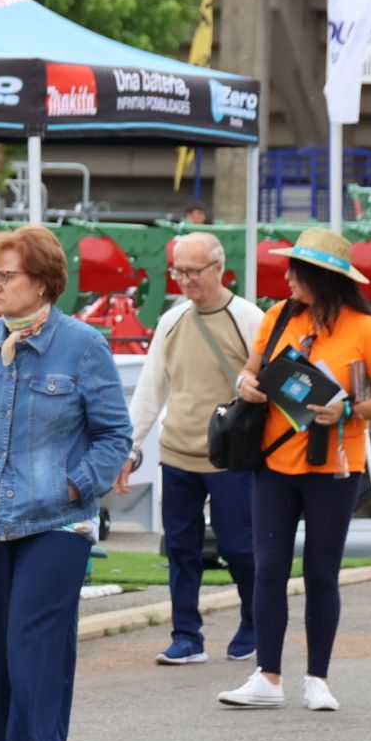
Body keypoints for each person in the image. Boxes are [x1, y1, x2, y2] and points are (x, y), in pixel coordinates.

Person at [0, 225, 130, 741]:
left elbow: (113, 437)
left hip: (56, 522)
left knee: (35, 643)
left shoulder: (83, 346)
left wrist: (73, 485)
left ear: (44, 282)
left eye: (6, 276)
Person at [216, 228, 371, 713]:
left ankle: (317, 678)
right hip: (274, 462)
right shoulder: (278, 317)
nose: (287, 277)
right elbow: (250, 370)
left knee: (322, 572)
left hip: (336, 466)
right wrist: (246, 386)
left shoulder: (367, 331)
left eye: (295, 270)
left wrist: (349, 411)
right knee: (269, 569)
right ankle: (268, 675)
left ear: (320, 277)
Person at [115, 232, 264, 665]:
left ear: (219, 269)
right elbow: (150, 389)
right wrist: (131, 447)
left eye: (193, 271)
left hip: (230, 456)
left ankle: (254, 623)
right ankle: (186, 634)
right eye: (178, 271)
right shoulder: (171, 321)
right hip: (177, 452)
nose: (184, 279)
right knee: (180, 547)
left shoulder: (249, 318)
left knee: (239, 546)